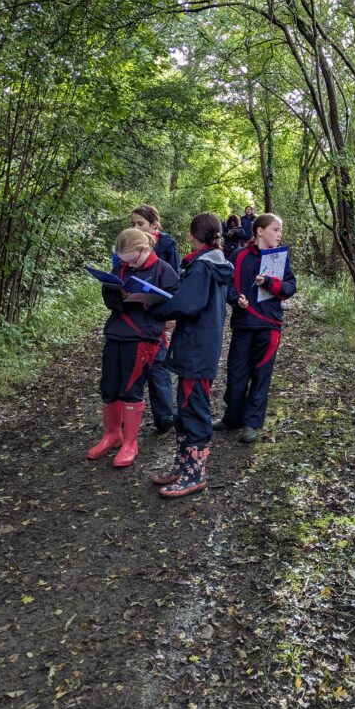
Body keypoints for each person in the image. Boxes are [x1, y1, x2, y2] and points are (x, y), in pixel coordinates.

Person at [150, 213, 234, 498]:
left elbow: (187, 304)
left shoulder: (202, 267)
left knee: (194, 406)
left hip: (198, 349)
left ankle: (195, 472)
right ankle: (183, 463)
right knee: (185, 406)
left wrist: (157, 307)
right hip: (198, 345)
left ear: (191, 236)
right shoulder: (215, 262)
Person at [88, 228, 180, 467]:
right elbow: (108, 298)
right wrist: (121, 295)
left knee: (131, 388)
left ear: (143, 250)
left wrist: (149, 302)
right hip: (117, 332)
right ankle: (112, 435)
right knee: (109, 386)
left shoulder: (162, 269)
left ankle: (130, 442)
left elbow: (174, 301)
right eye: (122, 259)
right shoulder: (120, 266)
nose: (126, 263)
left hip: (144, 336)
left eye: (130, 258)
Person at [215, 212, 296, 444]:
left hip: (269, 325)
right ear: (260, 231)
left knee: (261, 374)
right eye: (275, 229)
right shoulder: (239, 255)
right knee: (236, 372)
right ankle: (232, 418)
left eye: (280, 230)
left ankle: (252, 423)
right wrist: (235, 299)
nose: (279, 234)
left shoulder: (280, 258)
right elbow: (228, 285)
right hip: (243, 323)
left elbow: (290, 287)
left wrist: (269, 282)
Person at [130, 205, 181, 434]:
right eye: (133, 223)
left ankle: (164, 416)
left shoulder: (167, 245)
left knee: (158, 363)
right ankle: (128, 417)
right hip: (134, 311)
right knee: (133, 363)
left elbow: (175, 280)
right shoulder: (129, 242)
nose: (135, 228)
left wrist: (171, 314)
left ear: (154, 225)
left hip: (158, 311)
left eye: (140, 224)